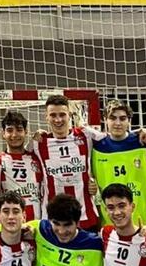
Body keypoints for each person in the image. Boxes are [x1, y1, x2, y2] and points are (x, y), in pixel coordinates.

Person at [30, 95, 107, 231]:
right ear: (46, 117)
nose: (58, 120)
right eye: (53, 115)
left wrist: (139, 132)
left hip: (85, 217)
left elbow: (114, 138)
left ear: (69, 115)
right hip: (52, 221)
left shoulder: (85, 135)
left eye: (62, 115)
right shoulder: (39, 142)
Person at [90, 100, 146, 228]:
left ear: (129, 121)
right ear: (105, 120)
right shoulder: (96, 147)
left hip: (144, 221)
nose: (117, 123)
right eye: (112, 118)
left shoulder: (144, 143)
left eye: (122, 119)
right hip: (111, 223)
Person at [0, 111, 43, 221]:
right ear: (3, 134)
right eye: (9, 130)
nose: (14, 135)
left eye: (19, 130)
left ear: (26, 132)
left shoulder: (37, 158)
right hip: (11, 223)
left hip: (37, 223)